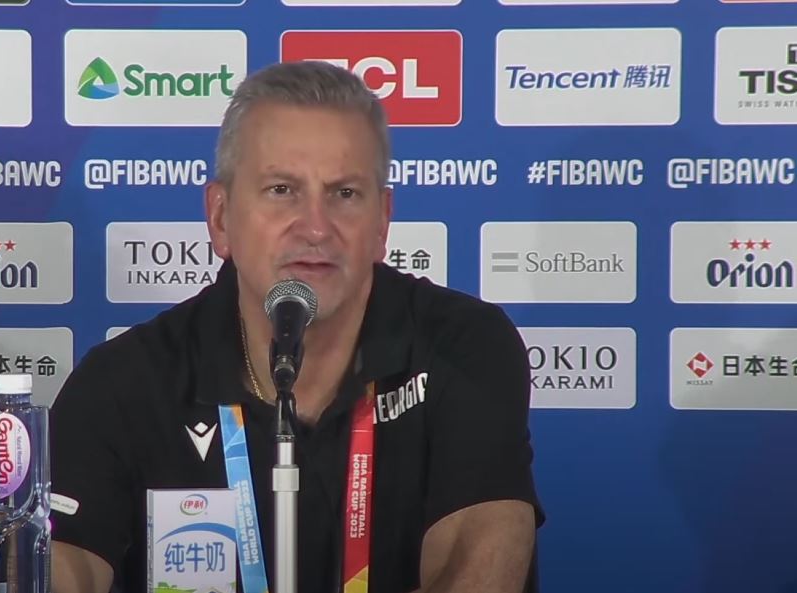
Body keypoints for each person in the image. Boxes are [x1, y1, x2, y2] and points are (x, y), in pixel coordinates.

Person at [50, 60, 544, 593]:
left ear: (383, 221)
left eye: (344, 193)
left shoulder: (464, 346)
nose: (315, 228)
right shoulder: (124, 383)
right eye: (282, 189)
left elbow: (480, 569)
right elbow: (59, 568)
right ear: (220, 217)